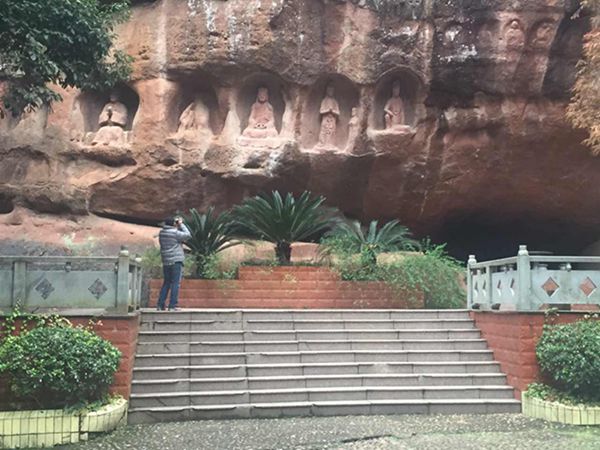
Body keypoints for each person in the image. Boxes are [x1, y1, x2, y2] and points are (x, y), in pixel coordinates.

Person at [156, 216, 191, 311]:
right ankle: (172, 306)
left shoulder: (162, 233)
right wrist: (181, 224)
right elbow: (188, 235)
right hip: (176, 261)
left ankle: (160, 305)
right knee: (175, 283)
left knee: (166, 282)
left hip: (166, 261)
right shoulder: (175, 233)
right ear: (174, 224)